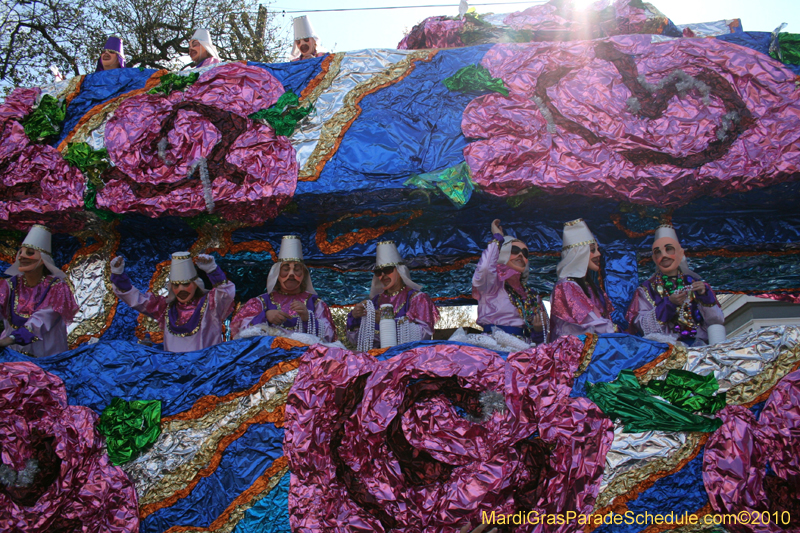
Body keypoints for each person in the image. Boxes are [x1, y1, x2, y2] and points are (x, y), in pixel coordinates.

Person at [110, 252, 235, 352]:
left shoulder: (210, 305)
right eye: (176, 285)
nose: (181, 289)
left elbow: (225, 293)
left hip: (206, 370)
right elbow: (137, 300)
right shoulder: (164, 308)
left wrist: (213, 270)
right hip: (175, 371)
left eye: (186, 284)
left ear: (196, 285)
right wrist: (118, 276)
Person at [626, 225, 724, 345]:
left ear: (680, 253)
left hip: (700, 347)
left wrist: (704, 297)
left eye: (669, 249)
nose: (664, 256)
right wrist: (668, 305)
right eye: (658, 252)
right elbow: (642, 325)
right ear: (654, 258)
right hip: (668, 348)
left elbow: (716, 321)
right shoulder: (646, 290)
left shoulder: (697, 285)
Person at [230, 236, 336, 342]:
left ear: (303, 274)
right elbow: (241, 331)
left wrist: (307, 318)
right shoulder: (261, 302)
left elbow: (329, 336)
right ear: (277, 273)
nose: (291, 274)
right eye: (285, 269)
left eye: (297, 270)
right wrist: (265, 316)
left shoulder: (316, 303)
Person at [0, 225, 79, 357]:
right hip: (12, 352)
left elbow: (43, 320)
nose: (22, 257)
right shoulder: (9, 285)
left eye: (30, 253)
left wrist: (11, 338)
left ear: (43, 260)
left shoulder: (57, 288)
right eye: (20, 253)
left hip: (44, 355)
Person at [347, 241, 439, 352]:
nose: (383, 276)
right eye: (378, 272)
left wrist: (386, 323)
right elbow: (357, 341)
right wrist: (355, 317)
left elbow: (425, 335)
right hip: (379, 359)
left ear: (400, 271)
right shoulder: (374, 302)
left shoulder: (418, 299)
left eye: (387, 270)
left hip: (408, 358)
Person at [472, 219, 548, 344]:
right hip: (493, 345)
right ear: (503, 253)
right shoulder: (492, 285)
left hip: (523, 346)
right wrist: (497, 239)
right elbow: (485, 268)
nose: (520, 255)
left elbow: (544, 337)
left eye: (524, 253)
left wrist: (538, 331)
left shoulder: (532, 296)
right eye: (514, 251)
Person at [549, 219, 617, 340]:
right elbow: (588, 321)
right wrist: (616, 331)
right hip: (573, 348)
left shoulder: (591, 287)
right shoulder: (566, 286)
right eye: (592, 250)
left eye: (597, 249)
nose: (598, 254)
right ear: (579, 253)